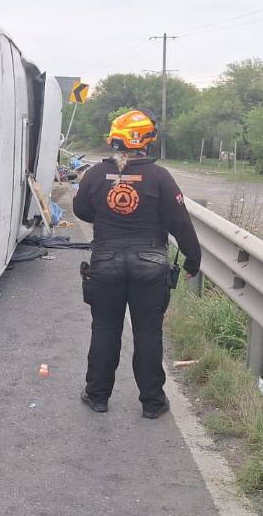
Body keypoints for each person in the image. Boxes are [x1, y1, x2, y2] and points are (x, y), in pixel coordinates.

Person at [72, 109, 201, 419]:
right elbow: (180, 222)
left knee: (105, 329)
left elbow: (81, 210)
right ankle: (153, 403)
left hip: (105, 262)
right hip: (151, 265)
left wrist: (108, 215)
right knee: (148, 333)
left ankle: (97, 396)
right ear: (147, 141)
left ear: (114, 140)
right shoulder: (160, 177)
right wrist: (193, 260)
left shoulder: (95, 175)